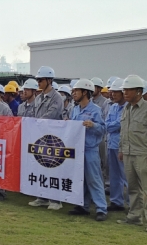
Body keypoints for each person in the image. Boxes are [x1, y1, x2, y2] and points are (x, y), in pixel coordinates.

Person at [117, 75, 147, 233]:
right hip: (129, 153)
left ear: (138, 91)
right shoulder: (126, 108)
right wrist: (121, 149)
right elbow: (124, 131)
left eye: (128, 90)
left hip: (144, 154)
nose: (125, 93)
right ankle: (135, 216)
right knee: (133, 188)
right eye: (124, 90)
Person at [66, 79, 108, 221]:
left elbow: (103, 129)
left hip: (90, 150)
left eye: (76, 91)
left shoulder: (95, 110)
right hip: (77, 149)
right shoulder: (75, 109)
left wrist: (93, 125)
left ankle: (101, 208)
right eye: (73, 91)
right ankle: (83, 206)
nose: (73, 94)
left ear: (85, 92)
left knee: (94, 179)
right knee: (80, 179)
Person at [28, 66, 65, 210]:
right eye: (38, 80)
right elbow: (34, 114)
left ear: (49, 80)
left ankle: (56, 200)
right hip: (40, 137)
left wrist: (36, 123)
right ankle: (42, 197)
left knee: (53, 168)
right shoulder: (39, 98)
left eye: (41, 80)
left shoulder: (57, 98)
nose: (38, 82)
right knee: (40, 166)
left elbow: (51, 115)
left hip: (53, 137)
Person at [105, 78, 127, 211]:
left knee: (126, 175)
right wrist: (112, 126)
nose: (112, 95)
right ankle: (116, 201)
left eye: (115, 92)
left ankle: (132, 203)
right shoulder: (113, 107)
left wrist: (111, 126)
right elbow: (107, 124)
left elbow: (120, 124)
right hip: (111, 144)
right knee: (114, 175)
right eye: (112, 92)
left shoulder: (128, 107)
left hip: (122, 145)